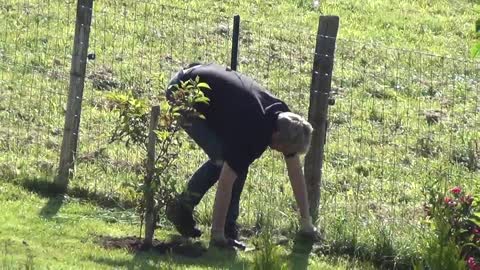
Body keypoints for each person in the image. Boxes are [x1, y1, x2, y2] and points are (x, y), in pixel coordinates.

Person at [165, 63, 318, 249]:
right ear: (277, 137)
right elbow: (225, 182)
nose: (283, 153)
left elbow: (295, 172)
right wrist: (217, 236)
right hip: (183, 92)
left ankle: (229, 230)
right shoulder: (253, 131)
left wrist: (306, 221)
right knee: (222, 162)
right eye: (284, 149)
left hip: (207, 92)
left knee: (237, 164)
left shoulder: (283, 117)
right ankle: (182, 208)